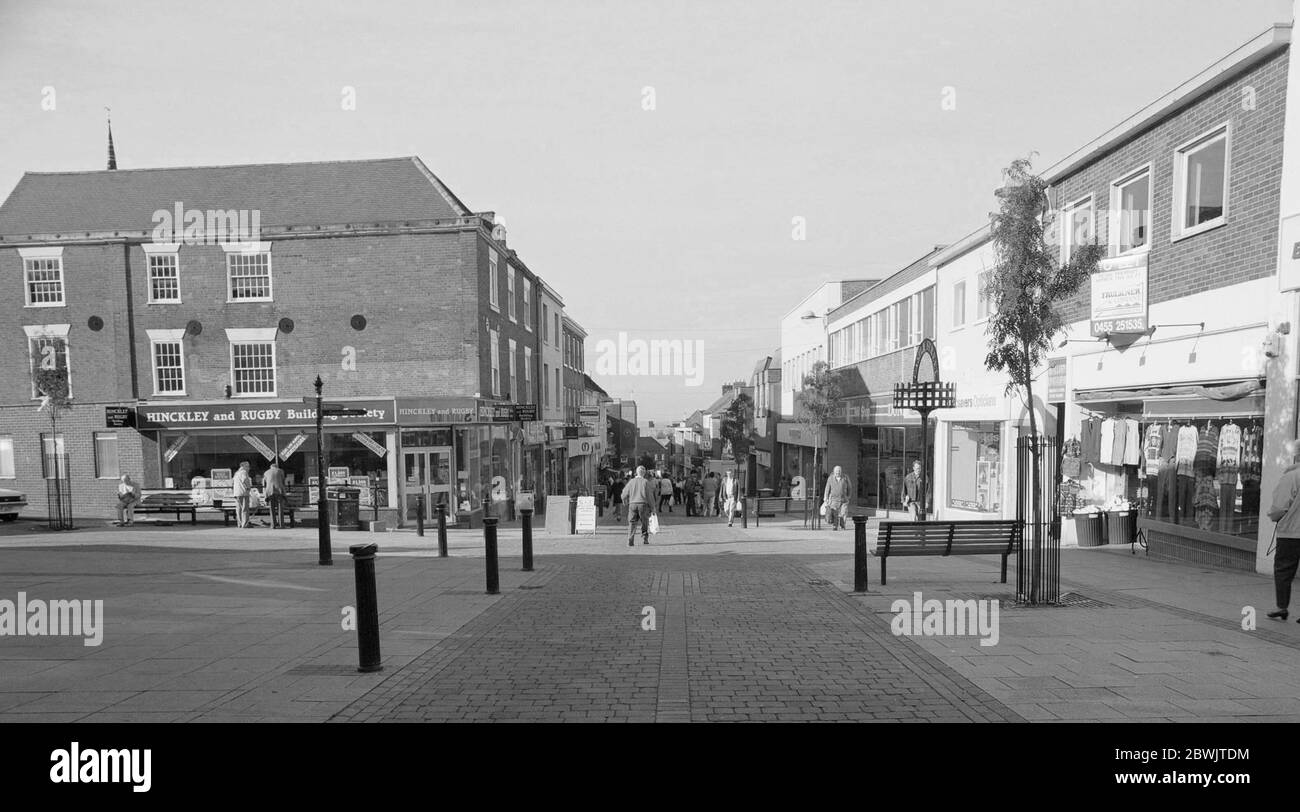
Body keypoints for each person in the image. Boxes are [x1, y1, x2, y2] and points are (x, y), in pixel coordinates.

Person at [1266, 439, 1300, 622]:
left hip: (1291, 533)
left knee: (1283, 570)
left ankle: (1282, 606)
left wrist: (1274, 516)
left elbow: (1279, 505)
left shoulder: (1291, 476)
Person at [621, 466, 657, 546]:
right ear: (644, 473)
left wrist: (625, 502)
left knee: (632, 522)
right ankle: (645, 538)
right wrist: (653, 507)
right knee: (644, 522)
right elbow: (649, 496)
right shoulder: (645, 482)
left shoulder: (631, 481)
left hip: (632, 504)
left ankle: (630, 540)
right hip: (643, 504)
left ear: (637, 473)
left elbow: (624, 493)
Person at [823, 465, 852, 530]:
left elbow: (850, 487)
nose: (837, 473)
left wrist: (849, 496)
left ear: (841, 472)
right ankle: (835, 526)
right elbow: (827, 488)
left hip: (844, 499)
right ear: (834, 472)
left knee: (843, 513)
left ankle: (843, 525)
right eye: (836, 472)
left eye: (839, 472)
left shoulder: (845, 477)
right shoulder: (830, 478)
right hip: (834, 500)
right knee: (835, 514)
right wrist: (826, 498)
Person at [263, 460, 287, 529]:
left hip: (270, 492)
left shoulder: (266, 472)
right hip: (279, 491)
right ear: (277, 467)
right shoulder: (280, 471)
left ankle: (273, 525)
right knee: (280, 508)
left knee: (272, 508)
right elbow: (283, 481)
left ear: (271, 467)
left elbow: (264, 483)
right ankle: (281, 525)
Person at [232, 461, 253, 528]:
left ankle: (240, 524)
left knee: (239, 509)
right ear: (244, 467)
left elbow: (233, 482)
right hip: (243, 493)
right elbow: (245, 480)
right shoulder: (244, 472)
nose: (249, 468)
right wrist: (248, 487)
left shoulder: (236, 473)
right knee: (245, 509)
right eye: (248, 466)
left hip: (237, 493)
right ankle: (245, 524)